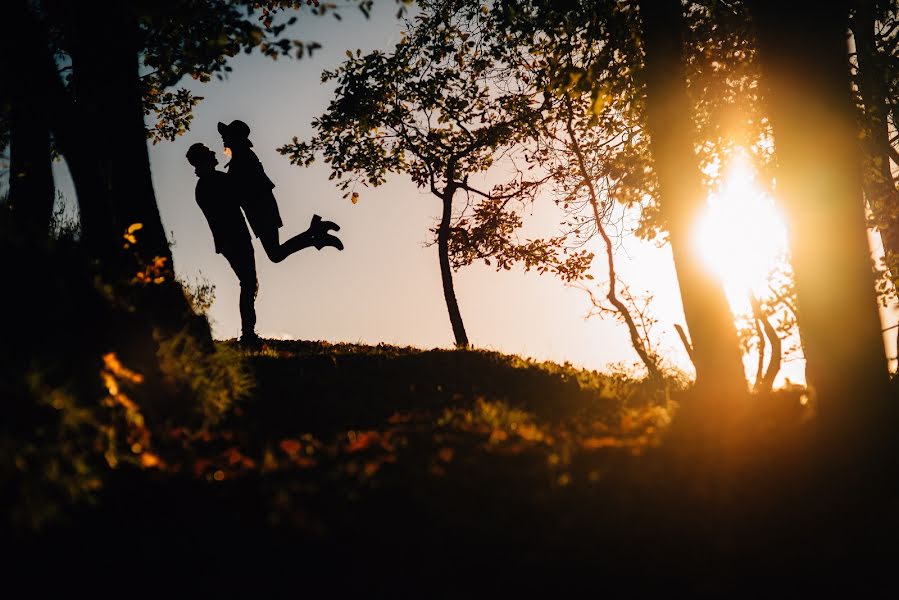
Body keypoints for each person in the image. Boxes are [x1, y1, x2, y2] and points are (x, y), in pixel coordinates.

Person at [217, 119, 343, 260]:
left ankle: (315, 234)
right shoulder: (241, 157)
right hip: (258, 209)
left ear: (234, 137)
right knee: (275, 253)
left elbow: (241, 187)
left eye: (225, 135)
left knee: (275, 254)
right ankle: (315, 233)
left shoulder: (242, 158)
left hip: (260, 210)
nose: (223, 138)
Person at [186, 142, 261, 346]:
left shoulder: (205, 185)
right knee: (248, 283)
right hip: (235, 238)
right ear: (203, 159)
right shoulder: (214, 181)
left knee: (248, 283)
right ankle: (248, 334)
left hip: (230, 240)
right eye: (208, 151)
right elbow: (241, 190)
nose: (213, 152)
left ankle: (249, 333)